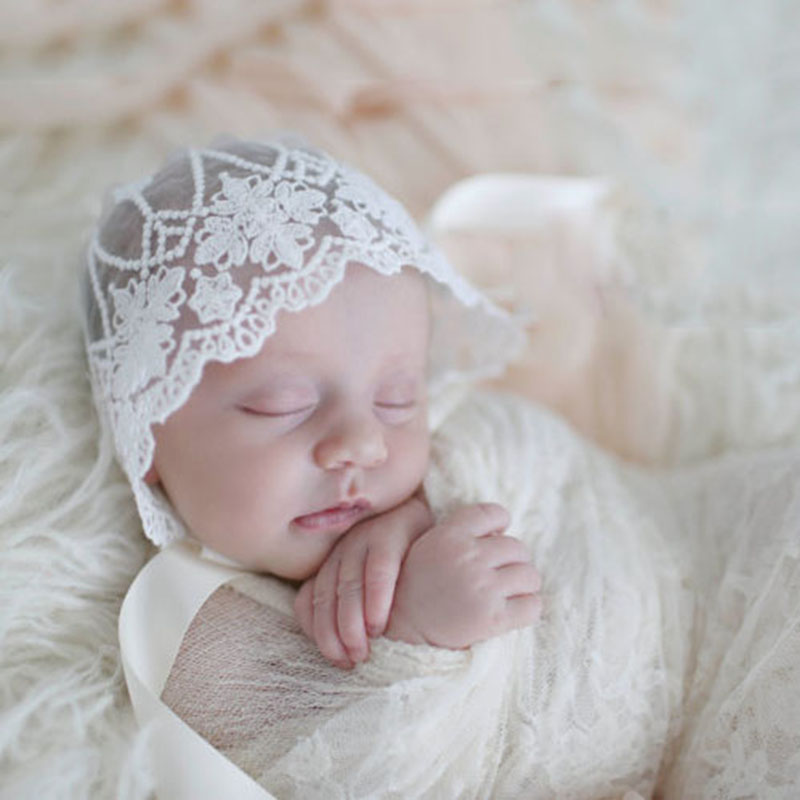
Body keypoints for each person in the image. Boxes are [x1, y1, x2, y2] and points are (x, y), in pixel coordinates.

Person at [84, 135, 800, 799]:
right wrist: (413, 634)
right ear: (150, 427)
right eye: (285, 406)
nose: (363, 443)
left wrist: (431, 508)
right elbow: (352, 775)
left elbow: (541, 452)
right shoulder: (199, 635)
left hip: (724, 551)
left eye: (399, 398)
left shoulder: (453, 444)